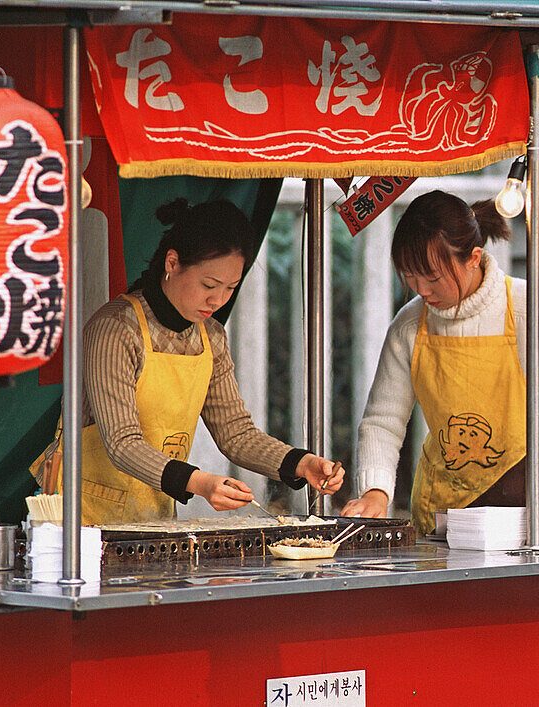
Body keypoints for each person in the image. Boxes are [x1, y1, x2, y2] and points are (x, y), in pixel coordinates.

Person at [341, 190, 539, 706]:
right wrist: (374, 491)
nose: (422, 291)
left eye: (432, 277)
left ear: (473, 258)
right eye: (410, 280)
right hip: (446, 524)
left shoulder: (531, 309)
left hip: (535, 522)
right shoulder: (410, 325)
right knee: (454, 666)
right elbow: (385, 420)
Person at [70, 197, 343, 524]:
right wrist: (199, 482)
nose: (218, 300)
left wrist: (301, 463)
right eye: (209, 285)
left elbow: (236, 433)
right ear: (172, 262)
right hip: (80, 518)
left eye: (231, 287)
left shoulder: (210, 336)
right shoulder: (115, 328)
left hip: (153, 518)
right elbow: (122, 443)